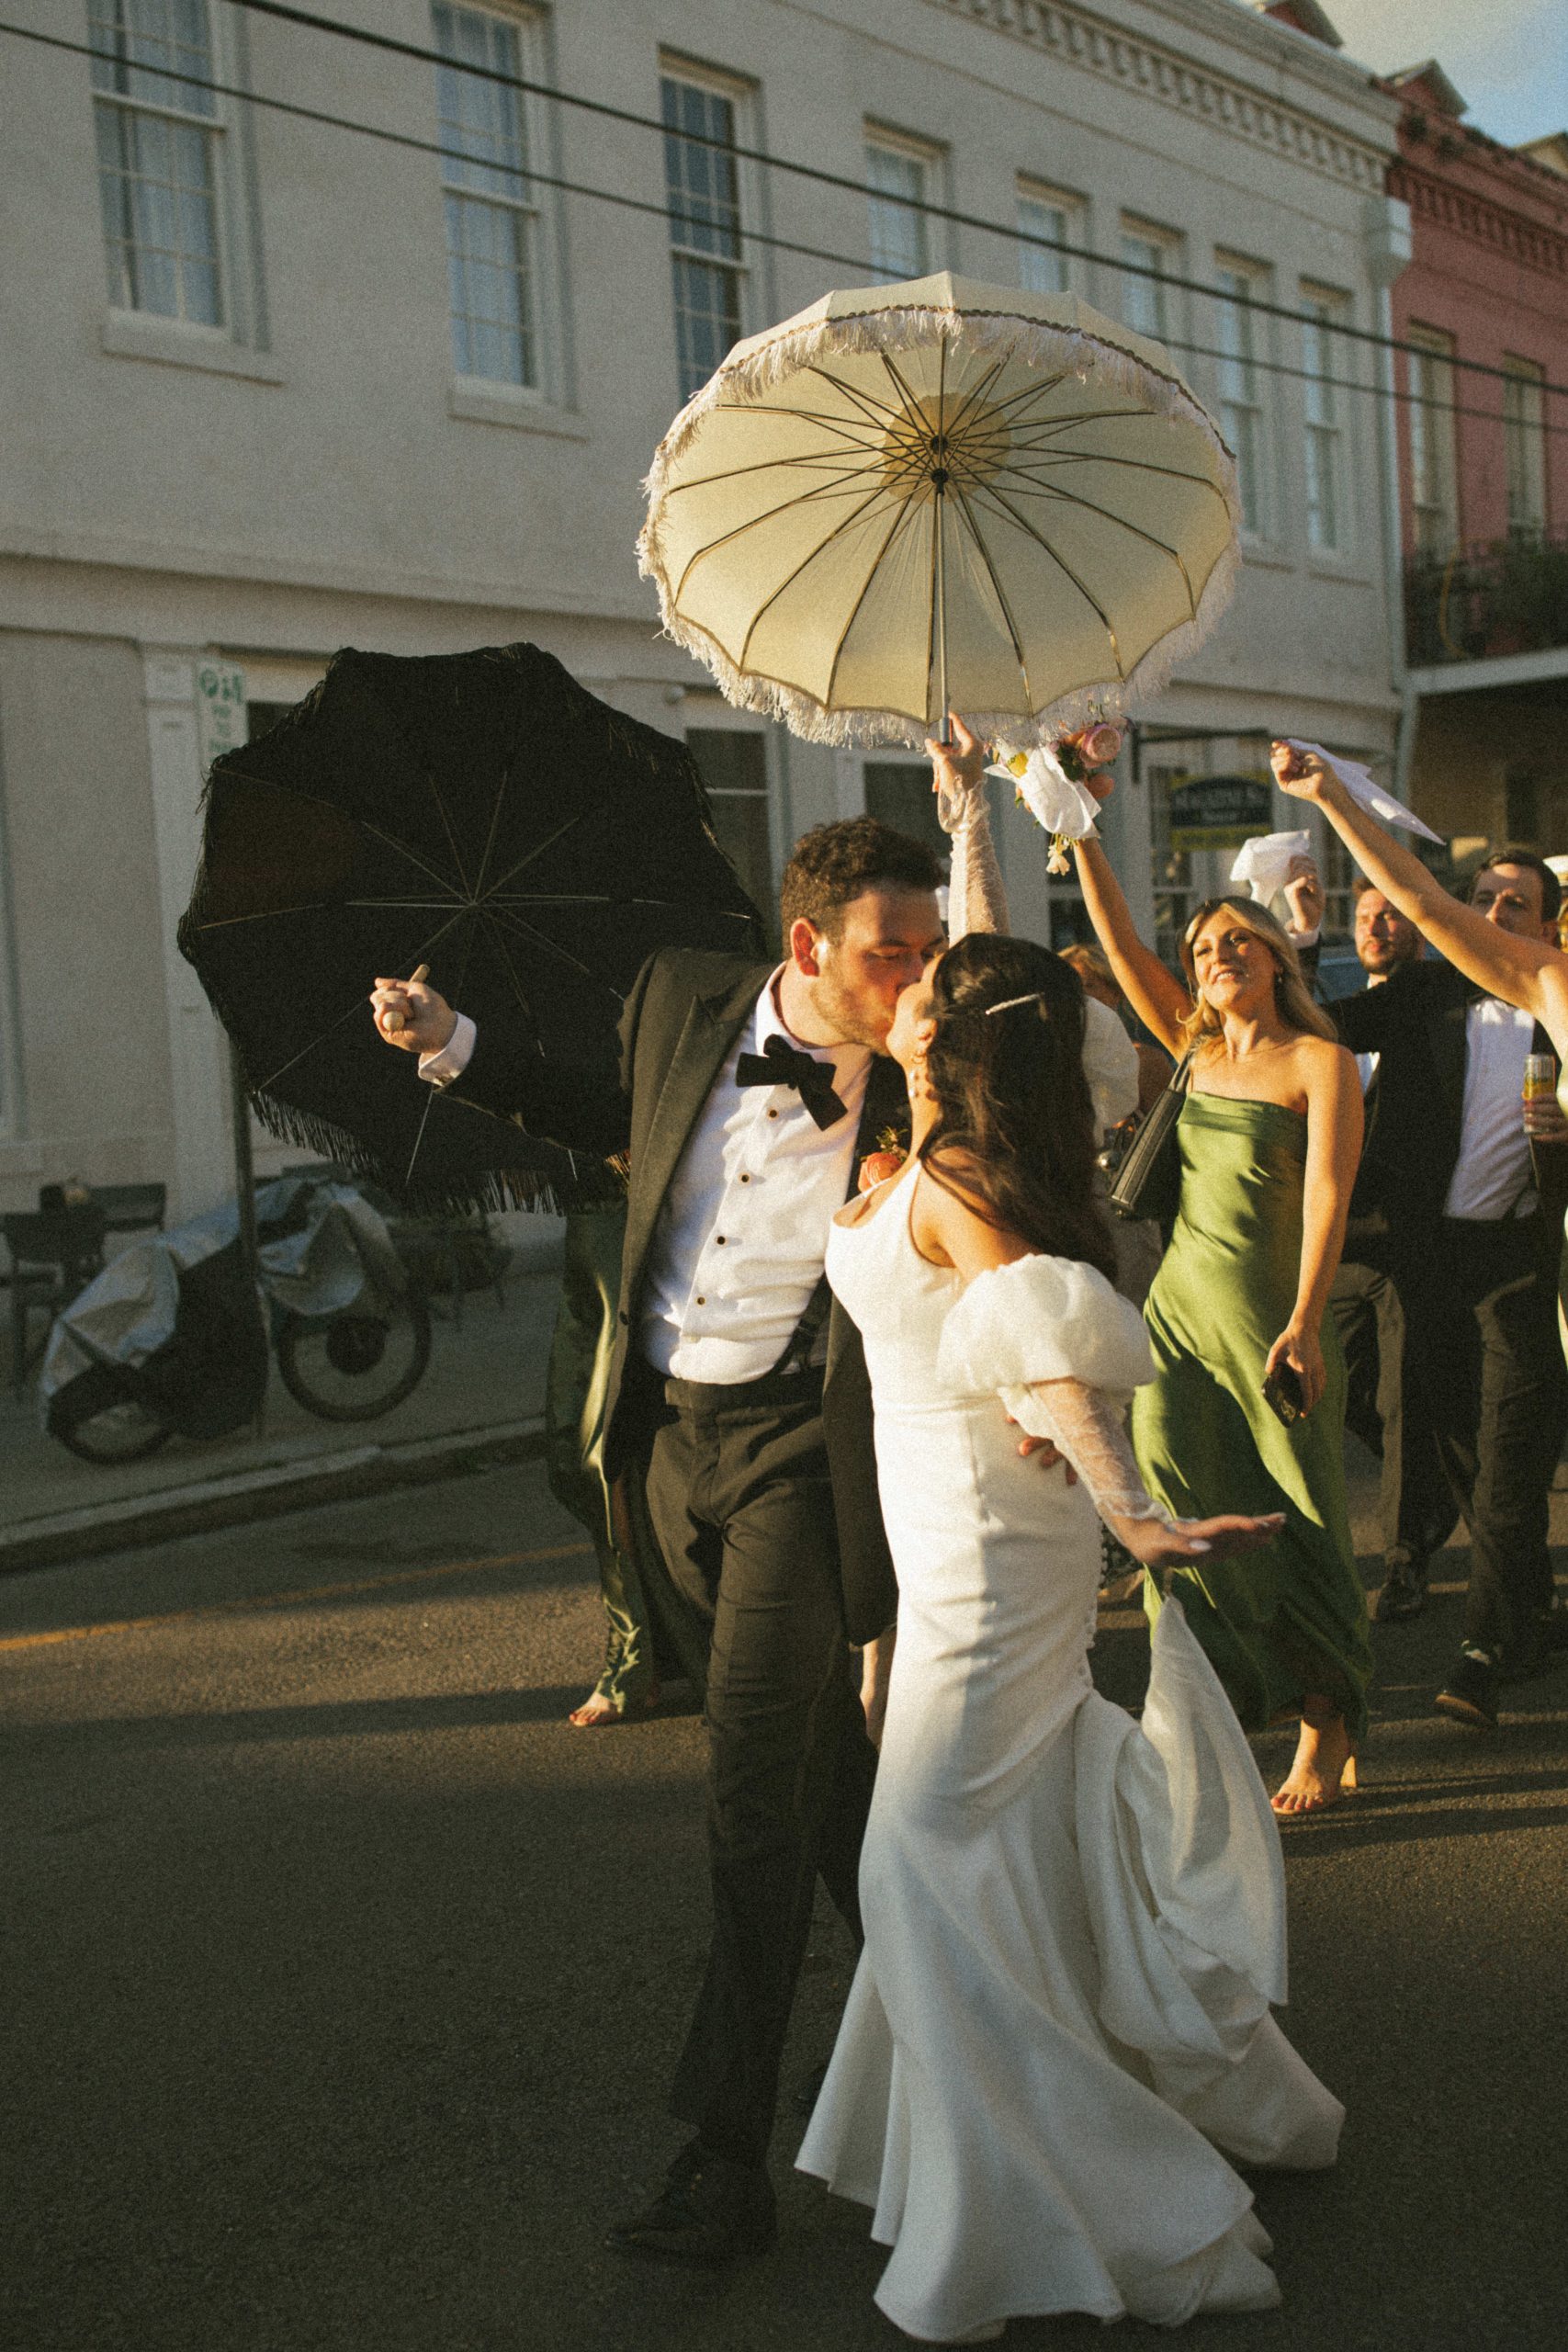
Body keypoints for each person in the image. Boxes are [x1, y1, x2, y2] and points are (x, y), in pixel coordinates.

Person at [371, 816, 1051, 2266]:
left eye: (926, 947)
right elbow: (602, 1108)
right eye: (892, 952)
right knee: (832, 1807)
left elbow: (1016, 1217)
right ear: (809, 948)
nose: (915, 974)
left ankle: (722, 2156)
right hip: (665, 1444)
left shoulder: (931, 1075)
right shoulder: (683, 993)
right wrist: (453, 1041)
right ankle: (978, 2063)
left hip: (806, 1458)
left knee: (748, 1797)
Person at [798, 930, 1343, 2342]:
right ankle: (1015, 2157)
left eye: (920, 988)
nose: (898, 987)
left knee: (912, 1860)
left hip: (992, 1554)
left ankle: (1059, 2189)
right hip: (943, 1549)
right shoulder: (919, 1168)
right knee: (995, 1835)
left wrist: (1139, 1519)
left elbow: (1050, 1363)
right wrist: (973, 791)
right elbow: (989, 975)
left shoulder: (958, 1188)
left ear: (946, 1040)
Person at [1069, 803, 1371, 1814]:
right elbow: (1117, 943)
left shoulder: (1316, 1063)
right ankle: (1214, 1696)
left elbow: (1330, 1192)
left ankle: (1326, 1717)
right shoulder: (1194, 1053)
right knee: (1167, 1486)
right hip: (1178, 1315)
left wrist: (1305, 1316)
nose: (1219, 954)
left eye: (1241, 938)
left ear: (1279, 958)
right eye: (1203, 947)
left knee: (1301, 1506)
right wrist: (1079, 832)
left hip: (1273, 1317)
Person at [1271, 744, 1568, 1727]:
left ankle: (1482, 1650)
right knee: (1451, 1447)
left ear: (1548, 927)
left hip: (1526, 1266)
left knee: (1513, 1453)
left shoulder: (1553, 1004)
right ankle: (1524, 1607)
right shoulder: (1429, 995)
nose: (1488, 915)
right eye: (1480, 896)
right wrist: (1301, 940)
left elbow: (1425, 903)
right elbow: (1319, 1026)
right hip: (1434, 1259)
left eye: (1511, 903)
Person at [1316, 881, 1458, 1623]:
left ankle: (1404, 1561)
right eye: (1366, 915)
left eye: (1390, 913)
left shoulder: (1430, 997)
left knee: (1404, 1402)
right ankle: (1437, 1480)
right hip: (1343, 1243)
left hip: (1408, 1239)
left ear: (1419, 925)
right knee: (1346, 1393)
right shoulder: (1342, 1006)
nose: (1376, 925)